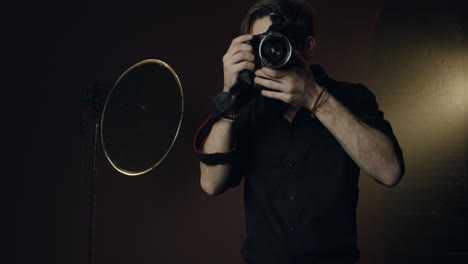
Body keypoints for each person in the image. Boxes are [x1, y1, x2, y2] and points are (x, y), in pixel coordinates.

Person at [194, 0, 405, 263]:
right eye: (261, 42)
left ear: (308, 46)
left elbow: (390, 172)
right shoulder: (246, 108)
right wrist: (230, 94)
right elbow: (211, 183)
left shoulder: (353, 98)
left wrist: (316, 99)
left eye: (277, 40)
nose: (270, 49)